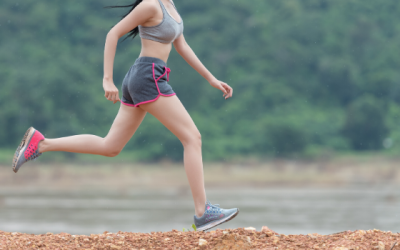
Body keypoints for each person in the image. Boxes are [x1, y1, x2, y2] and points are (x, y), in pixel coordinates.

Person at [12, 0, 238, 231]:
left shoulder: (171, 6)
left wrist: (211, 78)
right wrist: (107, 79)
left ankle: (41, 144)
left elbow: (182, 46)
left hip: (145, 76)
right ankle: (203, 212)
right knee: (192, 138)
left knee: (110, 146)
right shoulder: (151, 5)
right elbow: (113, 33)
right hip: (148, 76)